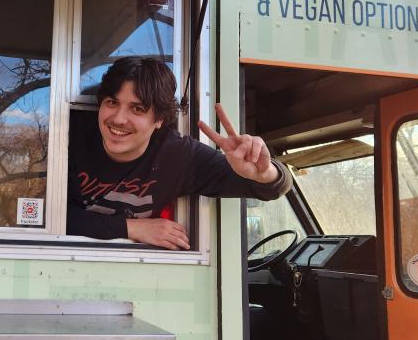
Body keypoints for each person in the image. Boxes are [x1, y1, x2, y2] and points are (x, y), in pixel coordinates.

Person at [67, 57, 291, 250]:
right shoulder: (67, 139)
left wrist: (264, 173)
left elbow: (275, 187)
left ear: (160, 120)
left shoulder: (177, 156)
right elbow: (44, 217)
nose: (118, 119)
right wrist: (132, 228)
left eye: (137, 109)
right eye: (112, 102)